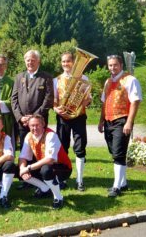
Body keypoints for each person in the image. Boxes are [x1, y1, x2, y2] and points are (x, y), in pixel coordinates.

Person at [97, 55, 142, 198]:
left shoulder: (130, 80)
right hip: (109, 121)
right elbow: (104, 103)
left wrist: (129, 122)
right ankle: (123, 183)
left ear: (121, 65)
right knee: (115, 152)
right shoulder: (107, 81)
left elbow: (135, 102)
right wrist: (101, 120)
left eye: (115, 65)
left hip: (122, 120)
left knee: (118, 154)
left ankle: (116, 187)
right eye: (110, 65)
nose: (112, 68)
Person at [53, 52, 91, 191]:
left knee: (80, 148)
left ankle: (79, 180)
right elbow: (54, 100)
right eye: (63, 62)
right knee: (62, 148)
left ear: (74, 62)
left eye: (68, 61)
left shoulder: (83, 78)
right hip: (63, 118)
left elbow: (88, 99)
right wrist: (57, 110)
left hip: (79, 117)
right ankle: (62, 179)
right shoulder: (56, 80)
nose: (65, 64)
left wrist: (84, 102)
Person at [18, 114, 72, 210]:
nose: (35, 128)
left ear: (43, 124)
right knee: (16, 169)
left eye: (37, 125)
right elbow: (23, 157)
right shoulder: (28, 136)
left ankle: (58, 198)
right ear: (28, 126)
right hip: (45, 165)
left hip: (63, 168)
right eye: (32, 125)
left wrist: (28, 168)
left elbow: (50, 159)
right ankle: (44, 189)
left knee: (46, 170)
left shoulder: (50, 135)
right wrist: (22, 170)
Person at [11, 50, 54, 150]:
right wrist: (20, 117)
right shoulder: (19, 77)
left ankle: (39, 166)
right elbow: (13, 99)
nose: (30, 62)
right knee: (24, 148)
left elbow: (49, 99)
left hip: (39, 121)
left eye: (33, 60)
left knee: (40, 148)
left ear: (38, 61)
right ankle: (25, 166)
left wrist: (35, 117)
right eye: (28, 60)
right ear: (25, 61)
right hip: (23, 122)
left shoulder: (46, 77)